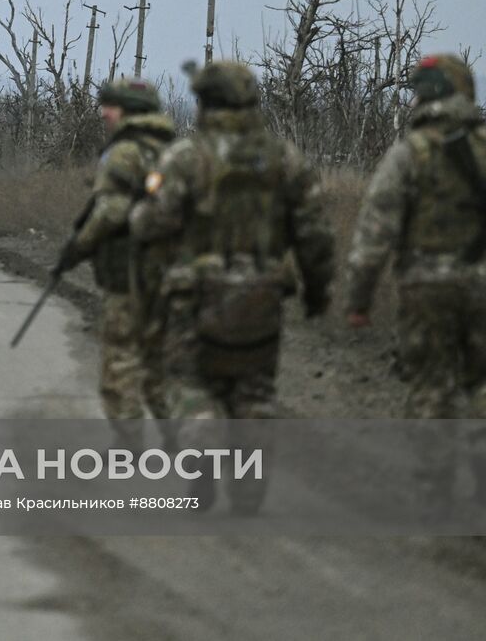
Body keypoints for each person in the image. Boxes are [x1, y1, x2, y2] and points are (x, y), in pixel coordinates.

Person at [341, 54, 486, 509]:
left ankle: (435, 487)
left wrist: (358, 298)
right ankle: (485, 472)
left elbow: (375, 231)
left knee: (431, 383)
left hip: (425, 287)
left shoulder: (407, 154)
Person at [130, 60, 334, 510]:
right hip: (261, 296)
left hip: (195, 296)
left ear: (204, 104)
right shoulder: (284, 159)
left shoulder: (185, 158)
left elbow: (150, 223)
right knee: (254, 390)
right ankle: (247, 491)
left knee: (188, 381)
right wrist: (319, 290)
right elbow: (315, 233)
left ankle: (199, 455)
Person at [58, 78, 176, 443]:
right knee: (160, 363)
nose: (104, 113)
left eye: (110, 106)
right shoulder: (176, 150)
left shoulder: (124, 152)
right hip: (174, 272)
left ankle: (128, 443)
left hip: (131, 272)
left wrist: (78, 247)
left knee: (121, 360)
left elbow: (111, 211)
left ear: (128, 110)